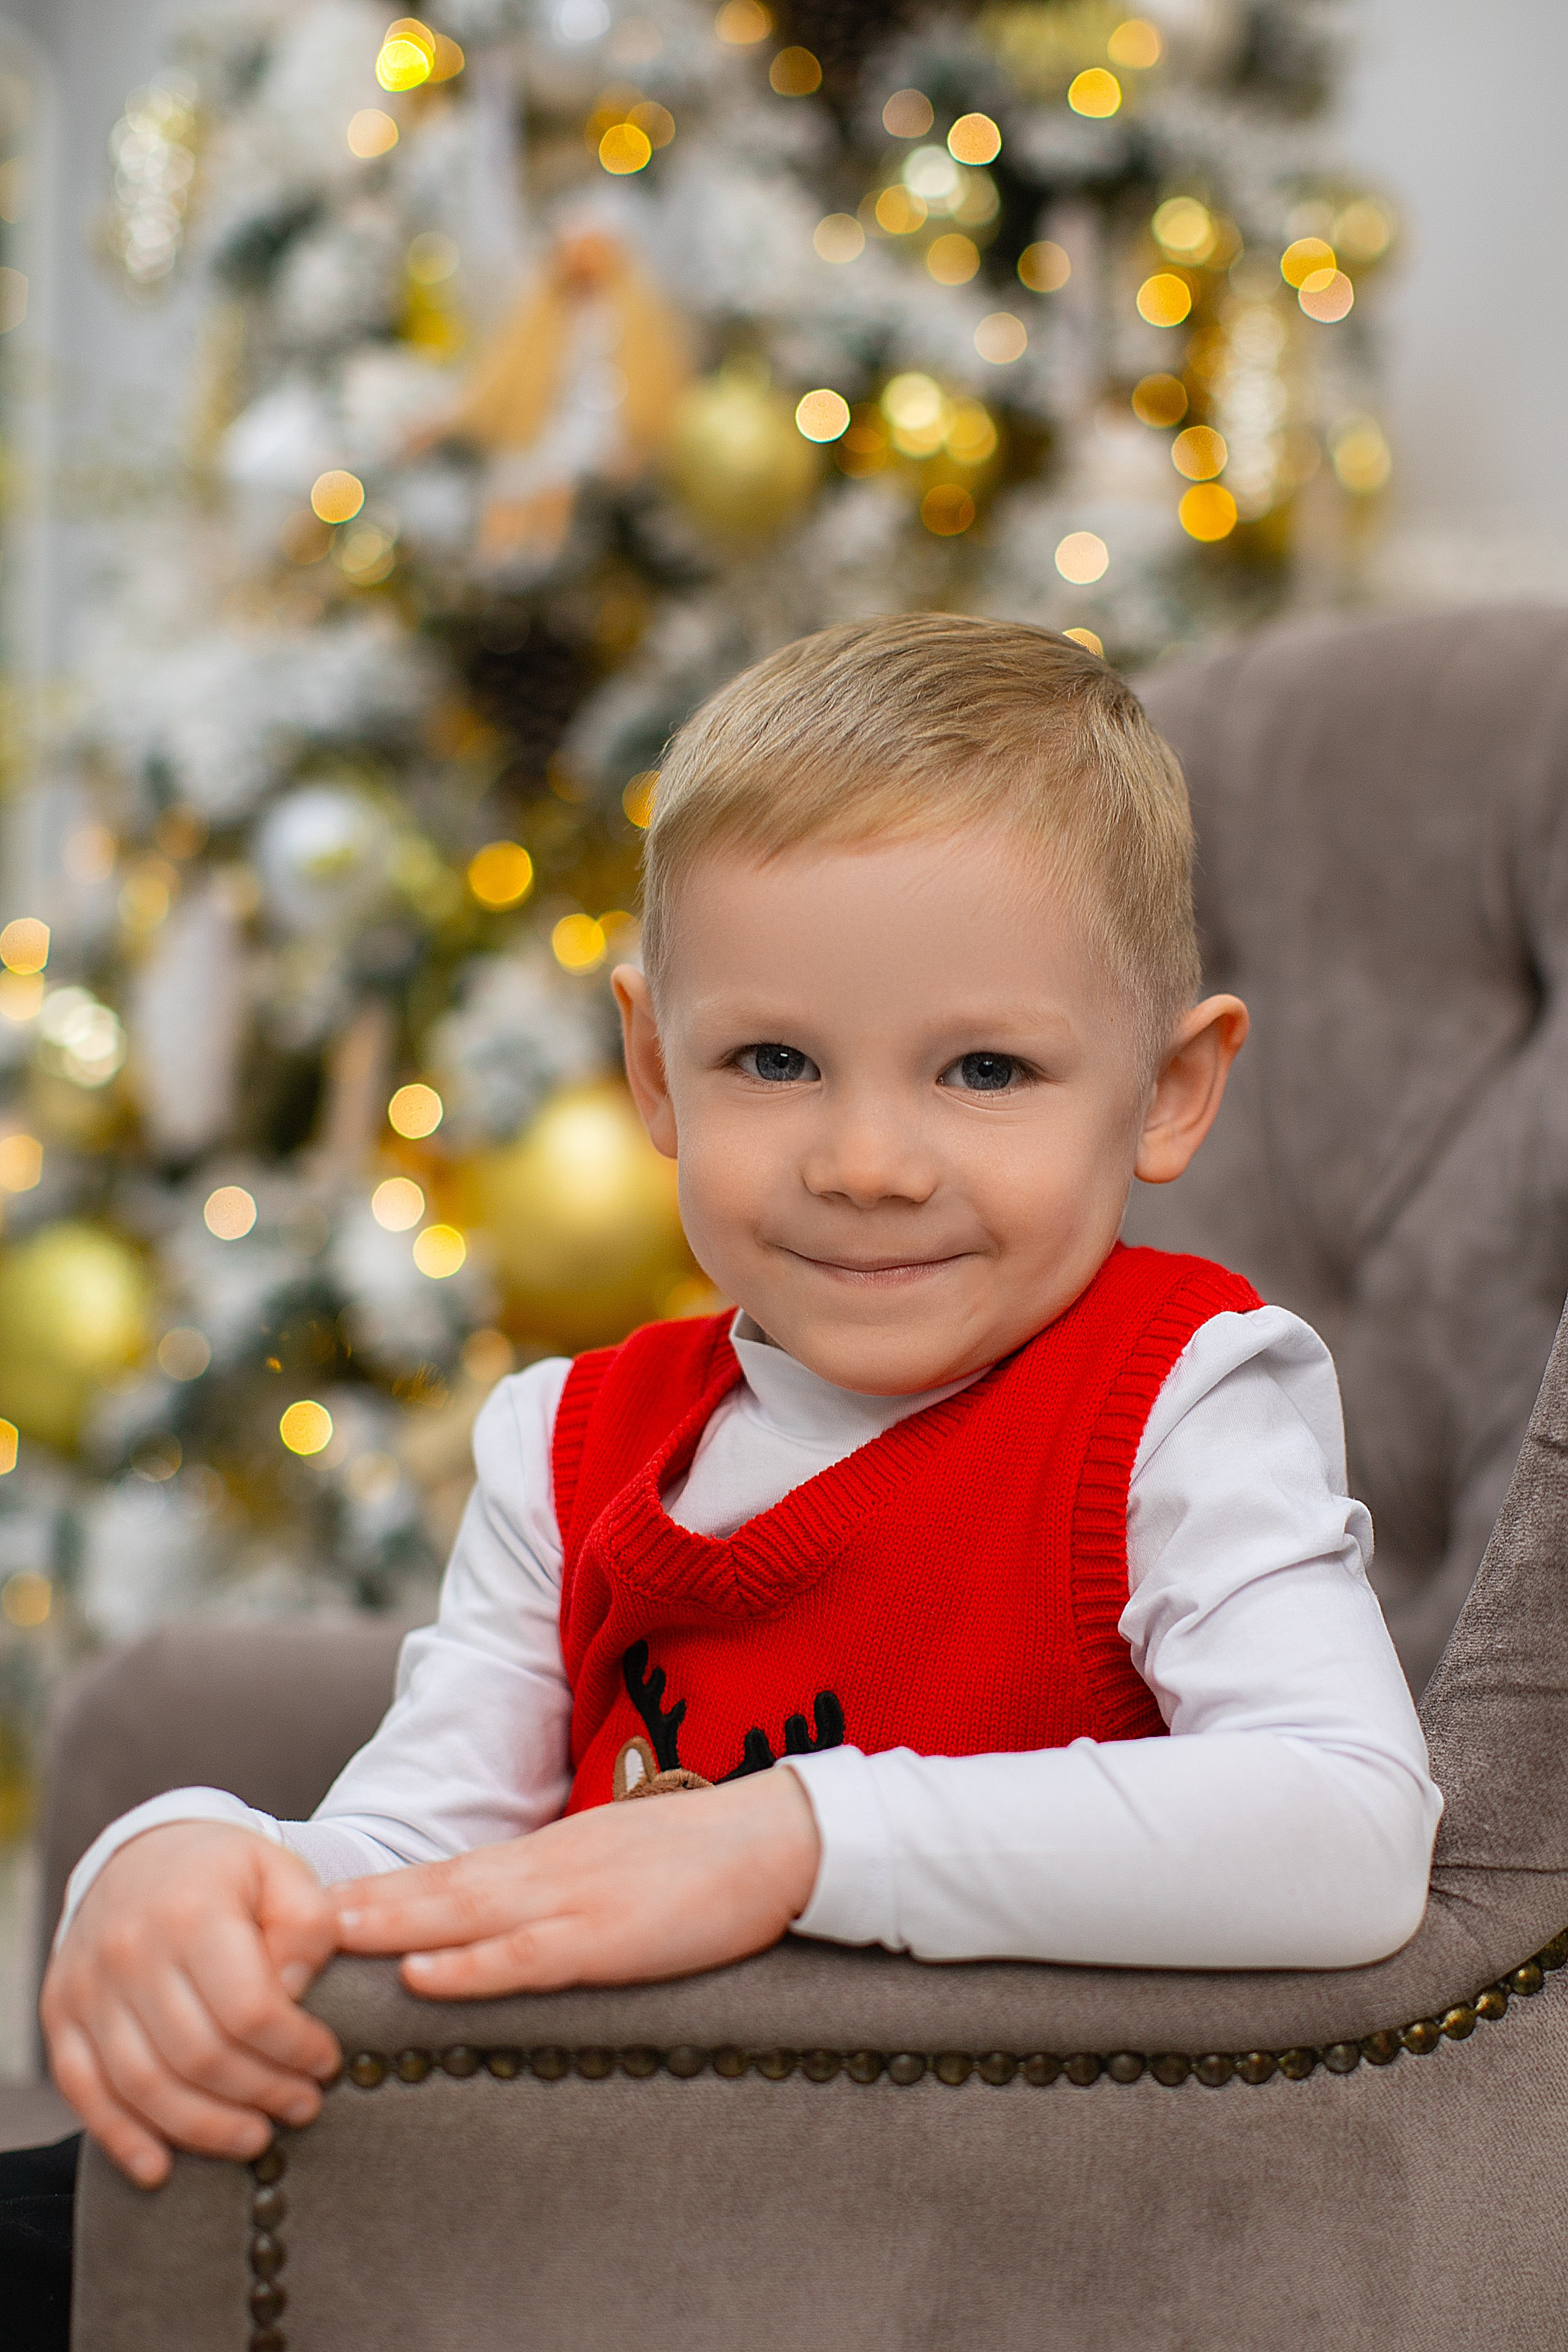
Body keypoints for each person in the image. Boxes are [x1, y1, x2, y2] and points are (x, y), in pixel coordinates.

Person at [13, 616, 1441, 2340]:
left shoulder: (1180, 1402)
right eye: (774, 1060)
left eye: (984, 1069)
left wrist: (803, 1837)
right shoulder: (572, 1446)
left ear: (1170, 1087)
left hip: (997, 2253)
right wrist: (171, 1861)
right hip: (592, 2222)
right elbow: (409, 1852)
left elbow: (1350, 1828)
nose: (864, 1161)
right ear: (650, 1066)